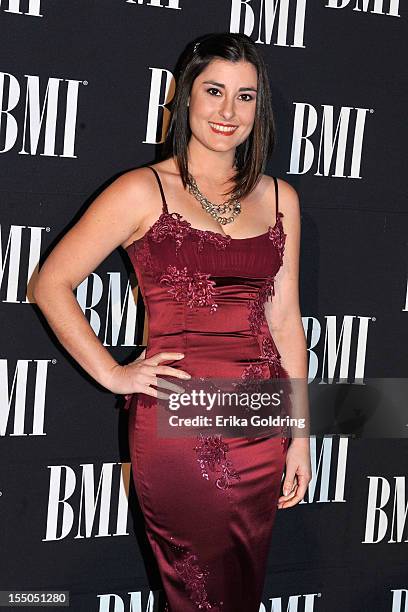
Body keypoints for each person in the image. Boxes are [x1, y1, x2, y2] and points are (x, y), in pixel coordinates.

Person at [34, 32, 311, 612]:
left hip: (262, 424)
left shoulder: (280, 197)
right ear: (183, 97)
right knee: (199, 595)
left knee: (240, 591)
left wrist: (301, 435)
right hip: (181, 426)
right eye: (214, 91)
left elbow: (285, 322)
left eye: (245, 96)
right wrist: (114, 374)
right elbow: (49, 284)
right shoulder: (142, 190)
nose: (228, 112)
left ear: (261, 108)